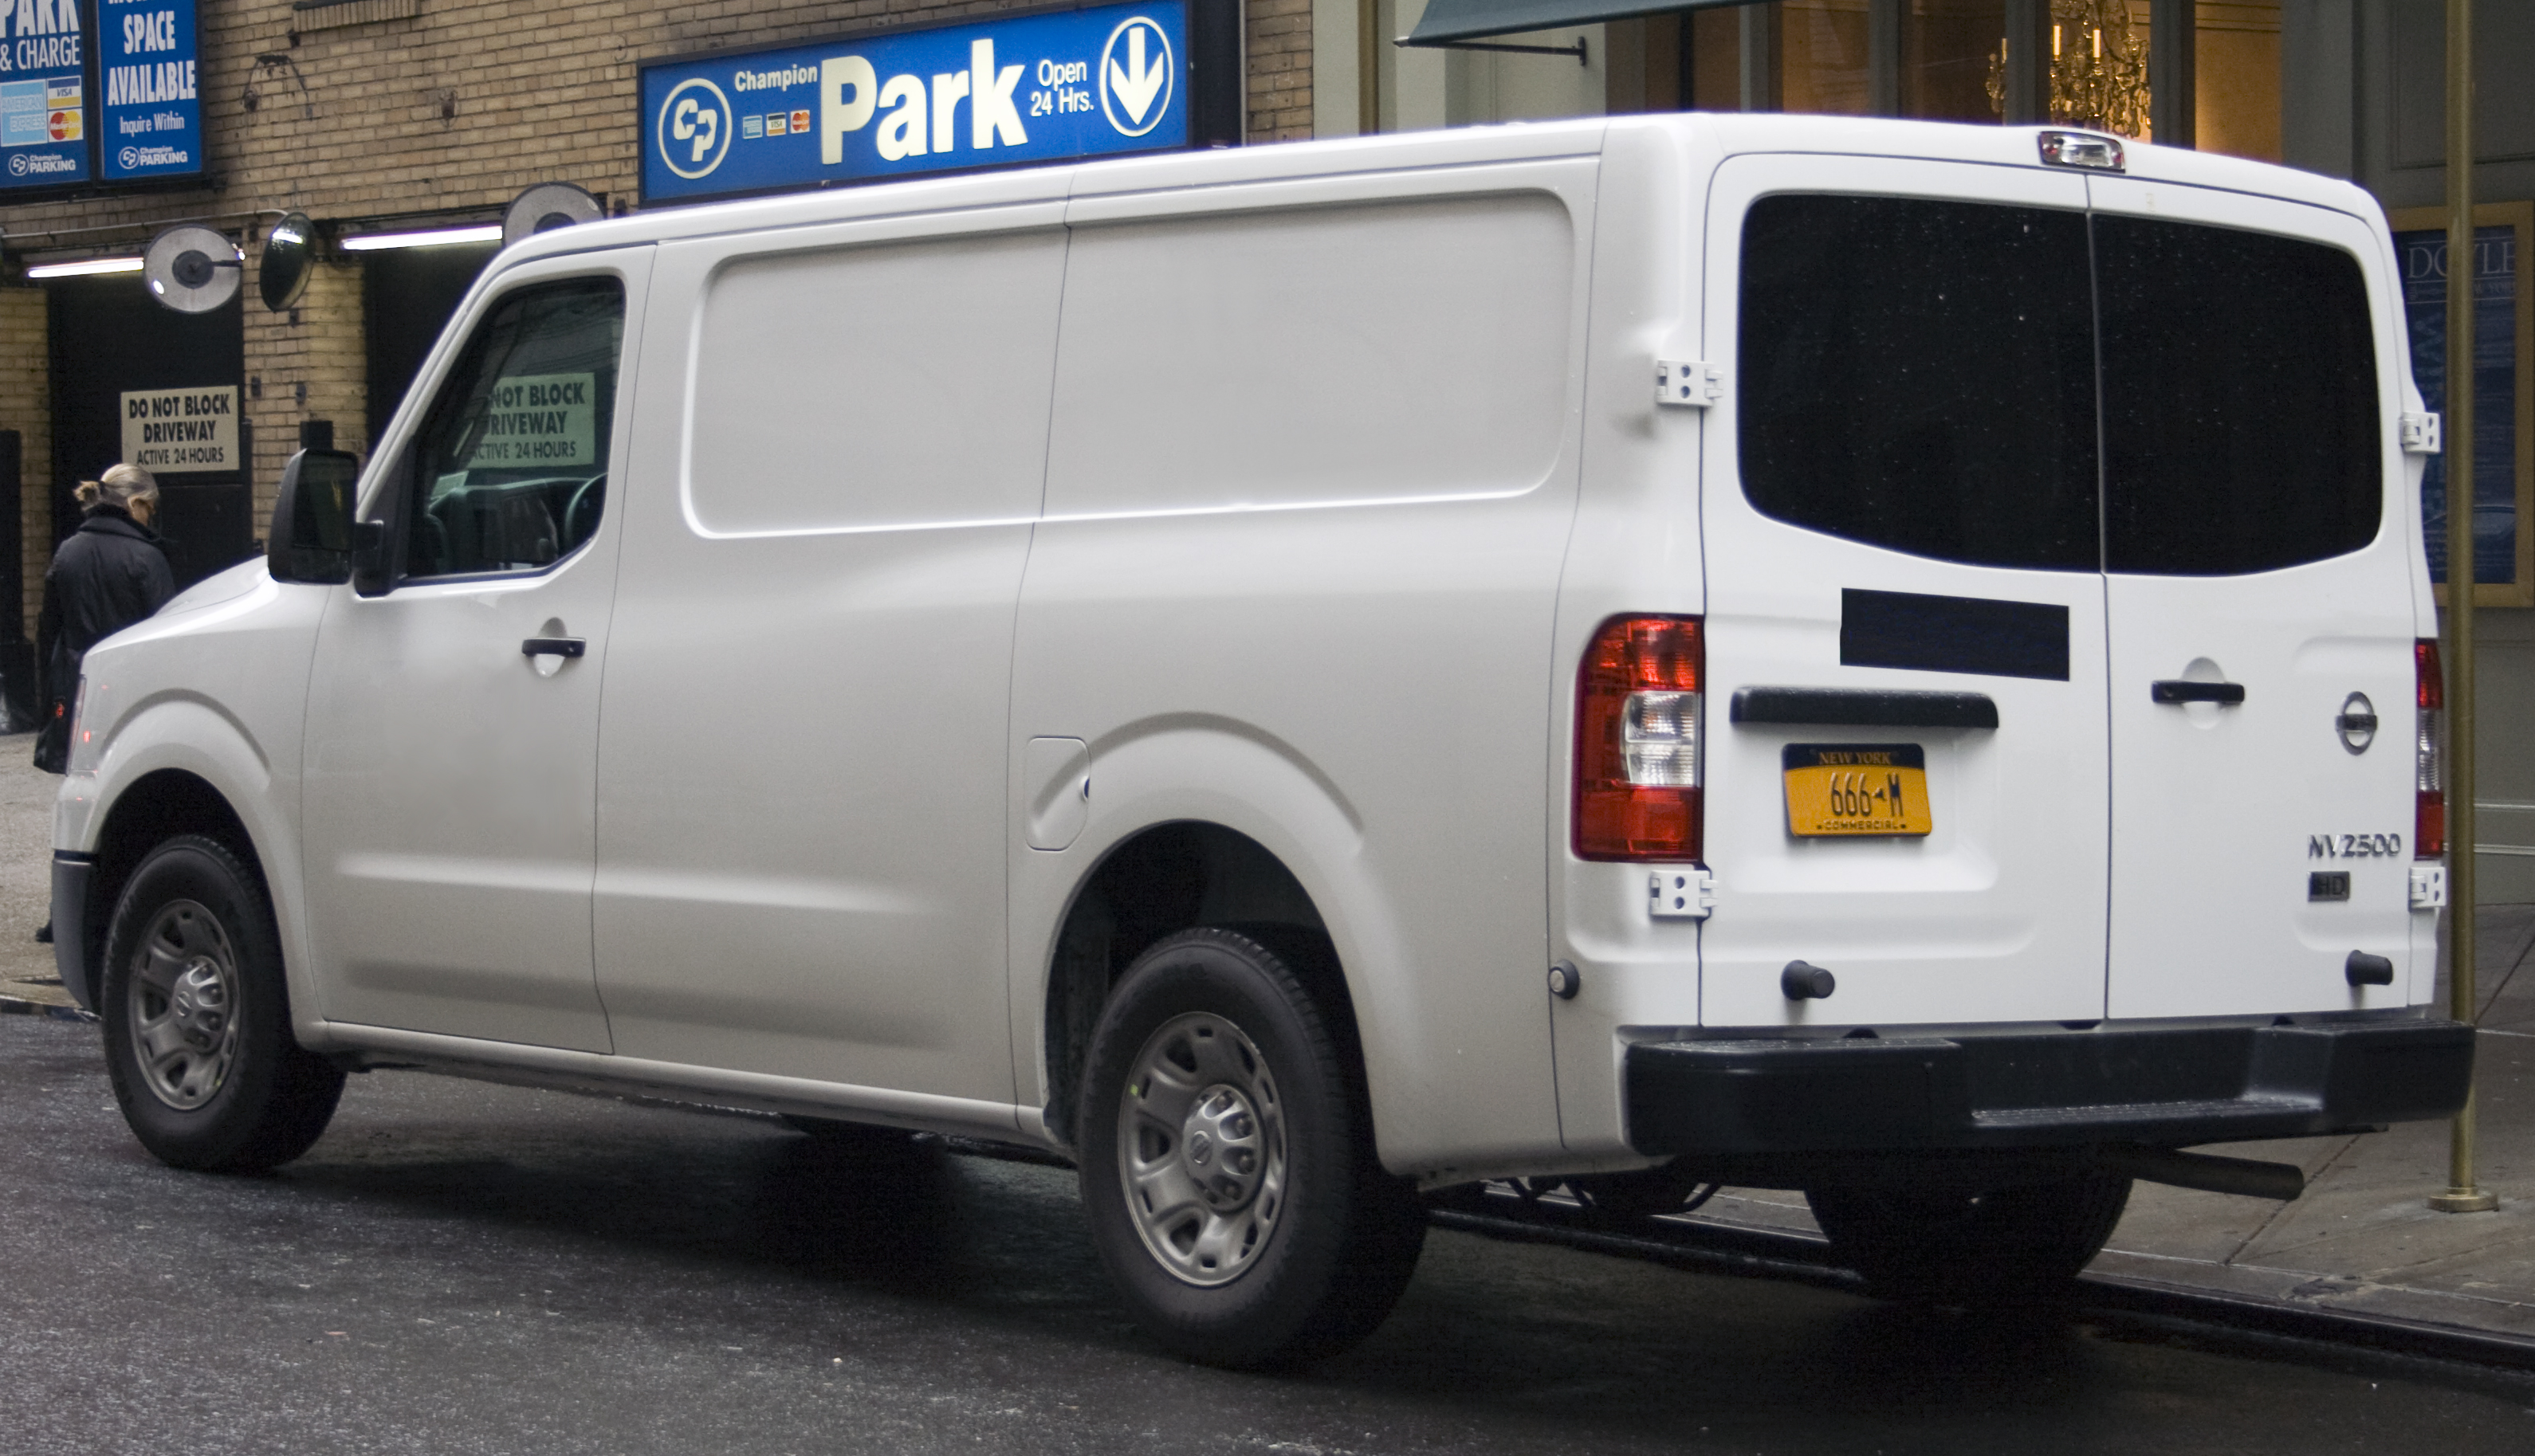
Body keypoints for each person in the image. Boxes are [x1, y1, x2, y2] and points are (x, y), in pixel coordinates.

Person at [34, 464, 174, 776]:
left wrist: (51, 693)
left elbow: (48, 630)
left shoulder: (66, 553)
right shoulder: (146, 557)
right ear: (135, 503)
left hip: (77, 687)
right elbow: (165, 634)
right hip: (130, 690)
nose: (150, 517)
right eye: (149, 509)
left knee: (81, 783)